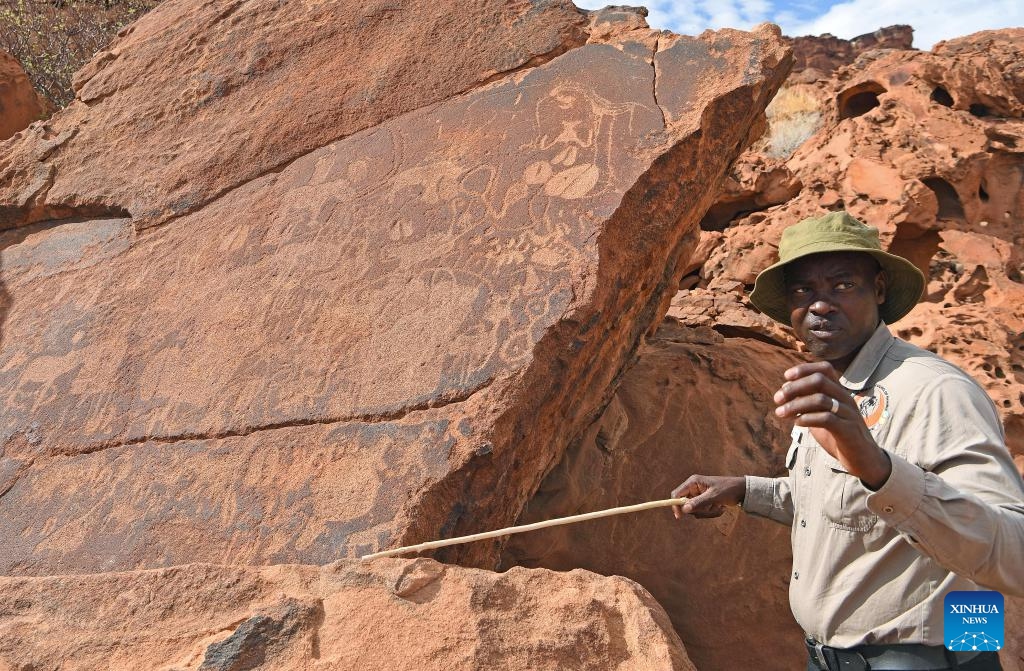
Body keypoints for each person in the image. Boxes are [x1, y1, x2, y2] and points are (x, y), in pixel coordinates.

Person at [671, 211, 1024, 671]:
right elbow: (845, 507)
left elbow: (1014, 554)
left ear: (878, 290)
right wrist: (745, 489)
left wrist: (877, 467)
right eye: (803, 291)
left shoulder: (935, 390)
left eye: (843, 285)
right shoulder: (832, 387)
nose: (820, 304)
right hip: (831, 659)